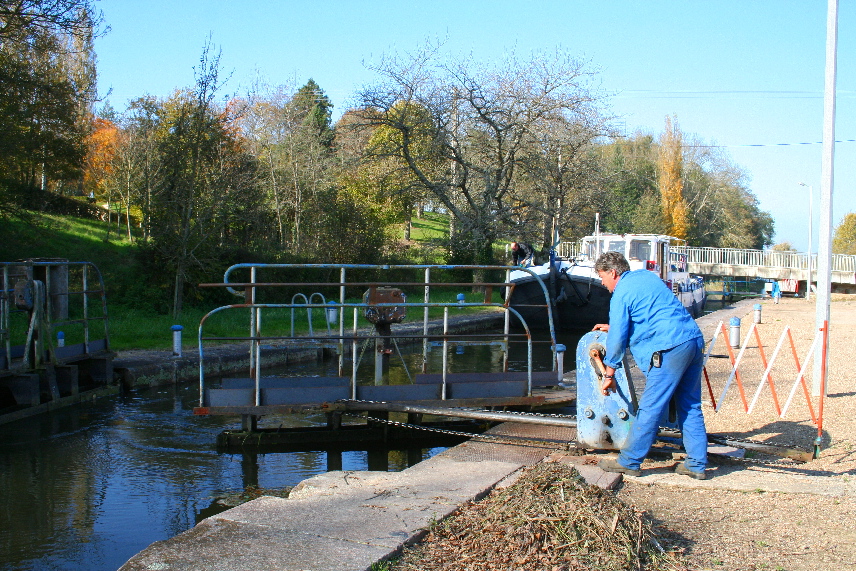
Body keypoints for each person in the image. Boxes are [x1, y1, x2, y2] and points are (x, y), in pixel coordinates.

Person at [592, 251, 708, 480]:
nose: (603, 283)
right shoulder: (646, 276)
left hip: (669, 348)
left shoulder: (620, 293)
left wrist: (609, 373)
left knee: (650, 407)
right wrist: (614, 327)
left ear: (612, 272)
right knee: (690, 404)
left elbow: (617, 341)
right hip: (692, 339)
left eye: (602, 277)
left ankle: (629, 461)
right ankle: (696, 464)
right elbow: (652, 313)